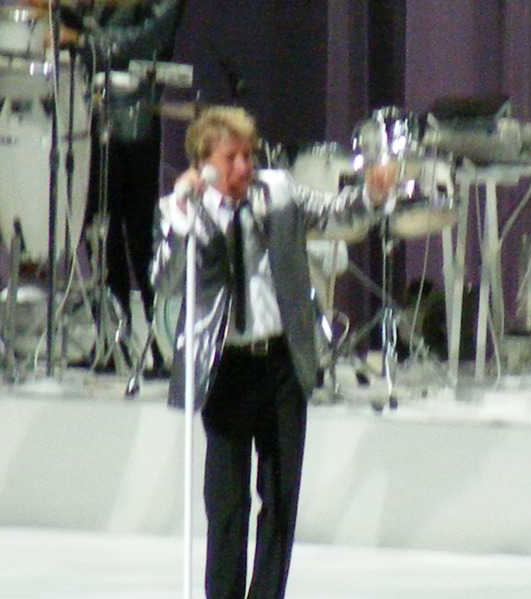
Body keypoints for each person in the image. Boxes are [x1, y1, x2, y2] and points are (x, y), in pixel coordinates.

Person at [152, 106, 395, 599]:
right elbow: (165, 279)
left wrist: (371, 193)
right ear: (204, 163)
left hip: (281, 363)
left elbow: (338, 213)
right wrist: (182, 216)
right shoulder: (184, 211)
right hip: (226, 366)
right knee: (227, 504)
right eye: (231, 158)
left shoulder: (278, 192)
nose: (244, 166)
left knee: (281, 498)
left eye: (249, 155)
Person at [55, 0, 185, 374]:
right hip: (91, 112)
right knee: (99, 229)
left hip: (133, 117)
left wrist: (81, 39)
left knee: (139, 235)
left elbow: (148, 39)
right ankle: (111, 340)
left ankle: (160, 346)